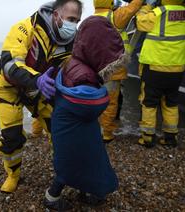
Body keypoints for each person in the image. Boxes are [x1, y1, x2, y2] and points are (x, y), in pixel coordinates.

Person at [0, 0, 82, 193]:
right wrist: (37, 80)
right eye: (71, 19)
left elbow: (72, 68)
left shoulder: (70, 41)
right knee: (12, 136)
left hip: (39, 87)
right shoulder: (25, 28)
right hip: (9, 86)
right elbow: (10, 64)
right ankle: (13, 175)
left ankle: (63, 171)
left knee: (59, 128)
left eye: (77, 20)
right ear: (56, 15)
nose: (73, 25)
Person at [43, 16, 130, 211]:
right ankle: (51, 198)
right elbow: (94, 104)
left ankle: (81, 189)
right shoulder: (84, 75)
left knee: (76, 160)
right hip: (75, 128)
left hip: (68, 125)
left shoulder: (72, 62)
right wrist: (105, 95)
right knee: (76, 162)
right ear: (97, 49)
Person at [137, 0, 185, 147]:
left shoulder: (157, 13)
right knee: (171, 102)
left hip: (155, 67)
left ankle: (148, 137)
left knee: (149, 102)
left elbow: (141, 23)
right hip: (176, 69)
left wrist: (147, 6)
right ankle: (170, 138)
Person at [93, 0, 143, 143]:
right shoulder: (116, 16)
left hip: (95, 69)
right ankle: (107, 133)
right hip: (112, 70)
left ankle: (95, 129)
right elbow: (133, 7)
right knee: (110, 102)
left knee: (96, 99)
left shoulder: (91, 20)